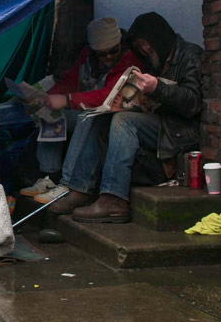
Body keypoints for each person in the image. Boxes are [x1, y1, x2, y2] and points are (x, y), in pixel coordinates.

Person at [48, 12, 203, 222]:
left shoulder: (190, 55)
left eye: (147, 44)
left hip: (179, 129)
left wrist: (157, 88)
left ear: (159, 37)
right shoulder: (152, 60)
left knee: (124, 121)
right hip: (160, 121)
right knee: (97, 117)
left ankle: (114, 199)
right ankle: (81, 188)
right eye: (140, 45)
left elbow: (193, 102)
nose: (145, 49)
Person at [19, 17, 143, 203]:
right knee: (50, 114)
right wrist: (45, 100)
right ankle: (49, 177)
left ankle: (67, 183)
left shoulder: (129, 61)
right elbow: (69, 80)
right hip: (84, 108)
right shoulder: (86, 56)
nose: (108, 57)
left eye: (113, 51)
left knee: (88, 117)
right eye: (102, 54)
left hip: (109, 119)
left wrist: (68, 99)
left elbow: (106, 94)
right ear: (93, 50)